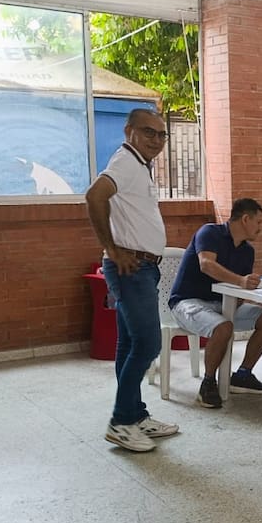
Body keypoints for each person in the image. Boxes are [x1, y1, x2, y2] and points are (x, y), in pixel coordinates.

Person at [85, 108, 180, 453]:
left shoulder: (137, 164)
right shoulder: (126, 162)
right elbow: (94, 195)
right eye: (148, 132)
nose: (156, 140)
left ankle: (136, 415)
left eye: (161, 134)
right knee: (148, 344)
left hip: (141, 267)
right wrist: (111, 248)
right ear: (129, 131)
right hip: (130, 268)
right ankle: (121, 422)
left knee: (129, 344)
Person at [169, 198, 262, 408]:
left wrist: (249, 288)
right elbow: (206, 264)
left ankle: (243, 374)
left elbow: (240, 289)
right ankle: (208, 382)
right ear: (245, 219)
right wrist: (241, 281)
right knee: (223, 327)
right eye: (259, 222)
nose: (261, 228)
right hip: (188, 302)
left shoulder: (247, 251)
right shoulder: (210, 233)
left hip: (223, 304)